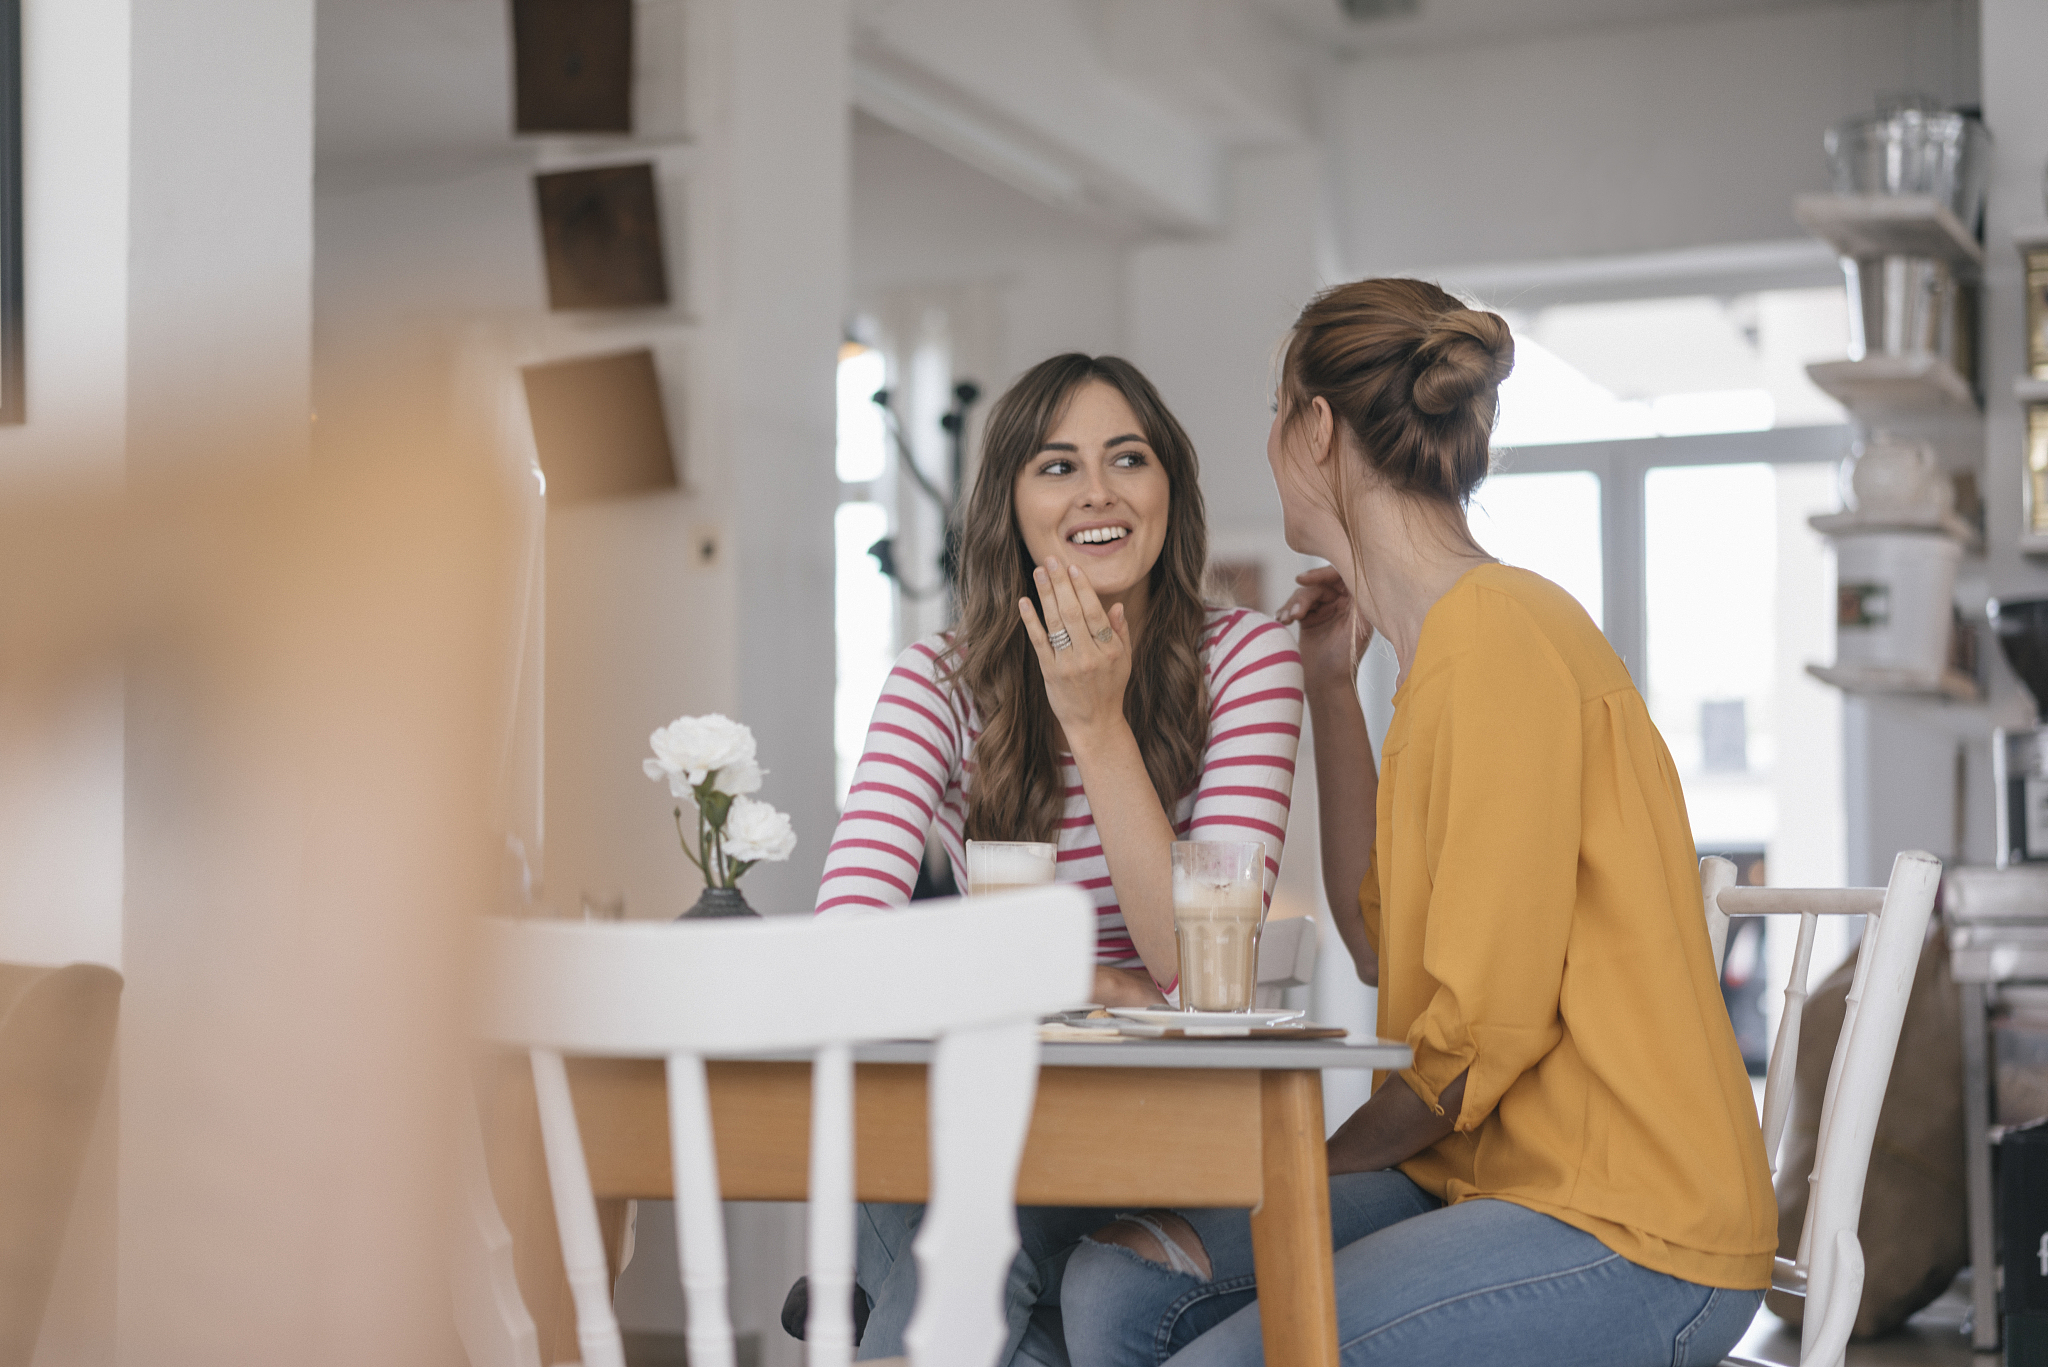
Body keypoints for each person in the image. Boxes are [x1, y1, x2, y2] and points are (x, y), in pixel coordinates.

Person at [1059, 279, 1775, 1367]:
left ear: (1314, 426)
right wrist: (1333, 692)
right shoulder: (1442, 647)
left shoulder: (1494, 639)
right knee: (1117, 1285)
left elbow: (1469, 1042)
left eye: (1273, 407)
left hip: (1630, 1224)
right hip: (1497, 1178)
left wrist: (1312, 1161)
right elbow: (1382, 943)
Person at [818, 352, 1306, 1364]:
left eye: (1126, 457)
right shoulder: (938, 683)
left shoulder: (1245, 661)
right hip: (987, 1124)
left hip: (1162, 1136)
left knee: (943, 1245)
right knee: (950, 1234)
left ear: (1168, 484)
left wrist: (1093, 725)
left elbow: (1190, 964)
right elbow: (846, 944)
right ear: (1010, 503)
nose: (1096, 490)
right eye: (1055, 465)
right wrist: (1073, 976)